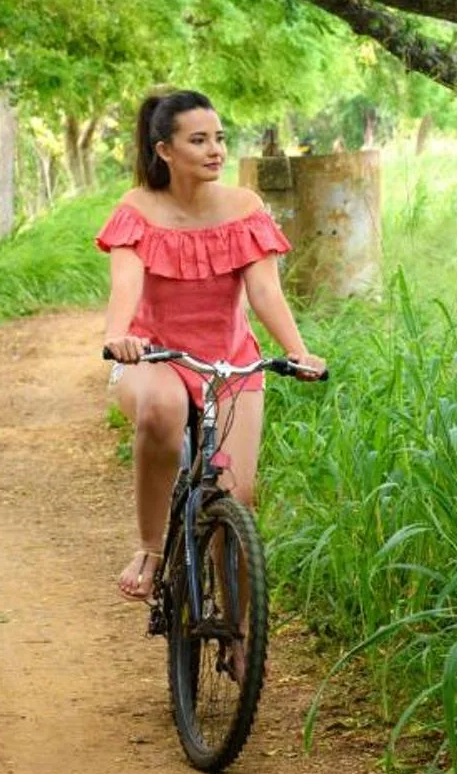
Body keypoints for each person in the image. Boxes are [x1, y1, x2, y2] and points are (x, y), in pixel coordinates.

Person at [97, 89, 321, 603]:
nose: (215, 150)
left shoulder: (244, 207)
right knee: (163, 408)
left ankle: (240, 636)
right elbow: (125, 286)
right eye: (198, 141)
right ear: (165, 151)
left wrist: (298, 350)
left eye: (218, 138)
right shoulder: (137, 209)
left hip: (229, 360)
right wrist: (118, 336)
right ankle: (151, 549)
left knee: (236, 494)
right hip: (155, 357)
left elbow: (264, 289)